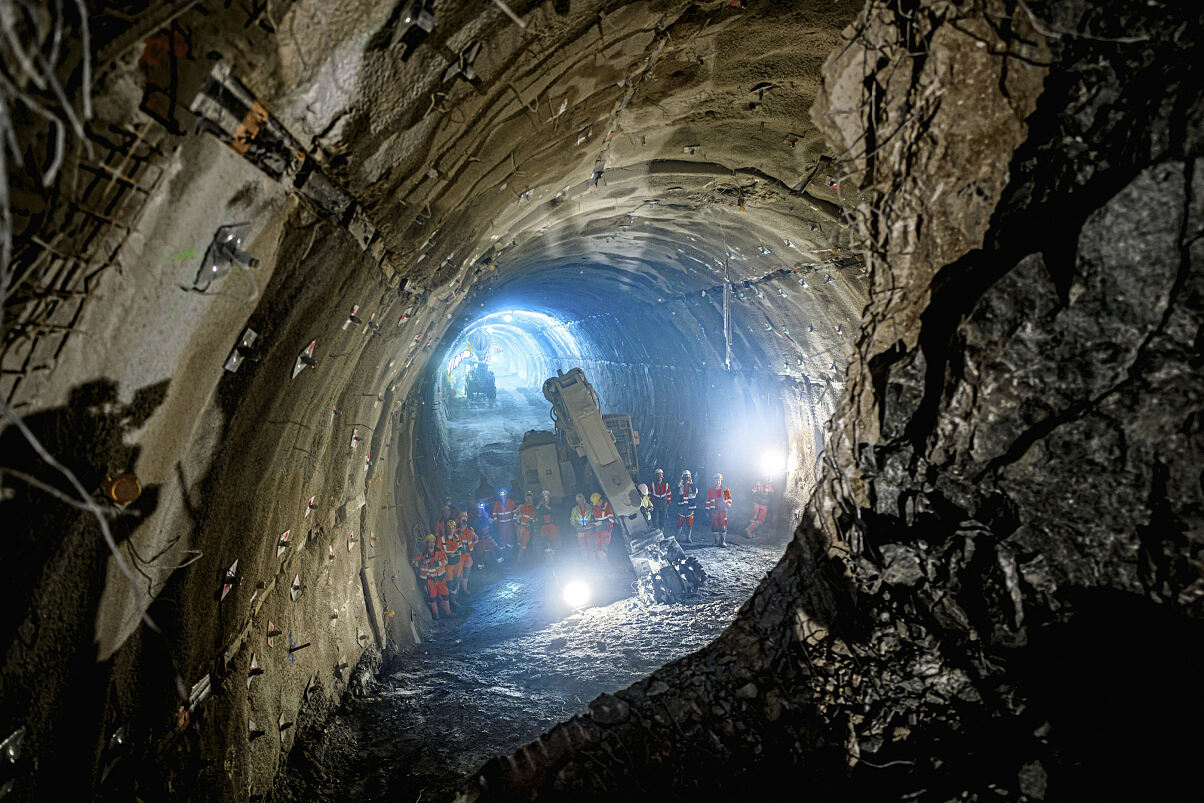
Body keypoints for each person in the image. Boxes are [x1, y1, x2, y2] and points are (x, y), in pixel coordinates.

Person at [411, 534, 451, 618]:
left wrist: (438, 563)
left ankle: (448, 613)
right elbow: (413, 563)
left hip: (440, 578)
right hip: (430, 580)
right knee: (433, 597)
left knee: (445, 594)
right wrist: (422, 562)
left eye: (433, 542)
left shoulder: (439, 551)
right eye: (430, 542)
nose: (432, 544)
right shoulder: (422, 554)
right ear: (426, 543)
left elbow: (446, 560)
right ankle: (436, 616)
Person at [438, 520, 464, 605]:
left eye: (453, 528)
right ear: (446, 528)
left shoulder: (457, 537)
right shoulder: (441, 539)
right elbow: (438, 552)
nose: (451, 530)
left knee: (457, 580)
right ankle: (449, 601)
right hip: (448, 564)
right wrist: (448, 554)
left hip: (457, 562)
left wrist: (459, 551)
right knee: (450, 583)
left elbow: (460, 546)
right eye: (449, 528)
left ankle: (454, 599)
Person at [705, 472, 734, 547]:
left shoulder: (725, 490)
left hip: (722, 511)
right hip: (713, 510)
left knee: (722, 526)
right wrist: (707, 511)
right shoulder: (710, 490)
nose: (717, 481)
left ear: (721, 480)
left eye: (719, 479)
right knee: (714, 526)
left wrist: (728, 505)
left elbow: (730, 498)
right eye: (716, 479)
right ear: (714, 481)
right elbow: (708, 501)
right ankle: (716, 541)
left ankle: (722, 542)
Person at [590, 492, 615, 563]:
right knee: (596, 547)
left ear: (600, 500)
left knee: (604, 548)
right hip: (598, 531)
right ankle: (601, 564)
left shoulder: (606, 506)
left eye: (597, 503)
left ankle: (607, 564)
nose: (596, 505)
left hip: (606, 531)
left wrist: (601, 522)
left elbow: (612, 520)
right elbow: (594, 517)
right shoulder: (595, 507)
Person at [456, 512, 478, 593]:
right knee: (458, 574)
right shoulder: (456, 530)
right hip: (459, 556)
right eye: (462, 519)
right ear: (459, 520)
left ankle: (465, 589)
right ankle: (457, 592)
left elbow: (476, 540)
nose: (464, 521)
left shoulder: (470, 530)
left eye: (465, 519)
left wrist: (474, 537)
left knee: (466, 573)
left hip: (468, 555)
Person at [491, 489, 517, 555]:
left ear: (506, 495)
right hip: (501, 524)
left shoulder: (511, 502)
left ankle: (511, 552)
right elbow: (494, 514)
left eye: (504, 495)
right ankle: (502, 552)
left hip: (509, 523)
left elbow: (515, 511)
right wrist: (496, 521)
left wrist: (514, 519)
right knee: (502, 537)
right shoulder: (497, 503)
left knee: (510, 537)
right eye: (501, 495)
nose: (503, 496)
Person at [535, 489, 558, 560]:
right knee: (545, 541)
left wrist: (546, 505)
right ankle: (547, 556)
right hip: (543, 526)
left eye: (546, 496)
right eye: (543, 496)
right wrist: (540, 503)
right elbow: (536, 509)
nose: (545, 498)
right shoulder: (540, 505)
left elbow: (553, 510)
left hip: (551, 525)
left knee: (553, 540)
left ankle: (554, 555)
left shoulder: (552, 504)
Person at [676, 470, 698, 543]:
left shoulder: (693, 485)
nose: (686, 478)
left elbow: (695, 491)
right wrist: (679, 483)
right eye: (684, 476)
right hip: (682, 506)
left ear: (690, 477)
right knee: (680, 522)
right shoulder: (680, 485)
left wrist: (691, 484)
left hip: (690, 507)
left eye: (687, 476)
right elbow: (675, 491)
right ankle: (677, 537)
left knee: (689, 523)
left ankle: (688, 538)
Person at [515, 490, 536, 564]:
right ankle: (519, 560)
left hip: (529, 529)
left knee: (527, 545)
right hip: (520, 529)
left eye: (530, 497)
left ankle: (521, 560)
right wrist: (517, 522)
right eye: (527, 497)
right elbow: (515, 516)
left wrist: (532, 523)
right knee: (520, 545)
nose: (528, 499)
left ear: (532, 498)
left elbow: (535, 519)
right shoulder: (521, 507)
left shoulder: (534, 508)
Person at [570, 492, 592, 558]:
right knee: (582, 546)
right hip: (580, 530)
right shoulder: (574, 509)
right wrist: (577, 526)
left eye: (582, 500)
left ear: (584, 500)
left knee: (590, 544)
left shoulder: (589, 507)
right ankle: (585, 559)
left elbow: (593, 517)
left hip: (588, 529)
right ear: (577, 502)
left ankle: (591, 558)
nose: (581, 502)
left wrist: (590, 524)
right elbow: (572, 520)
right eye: (579, 501)